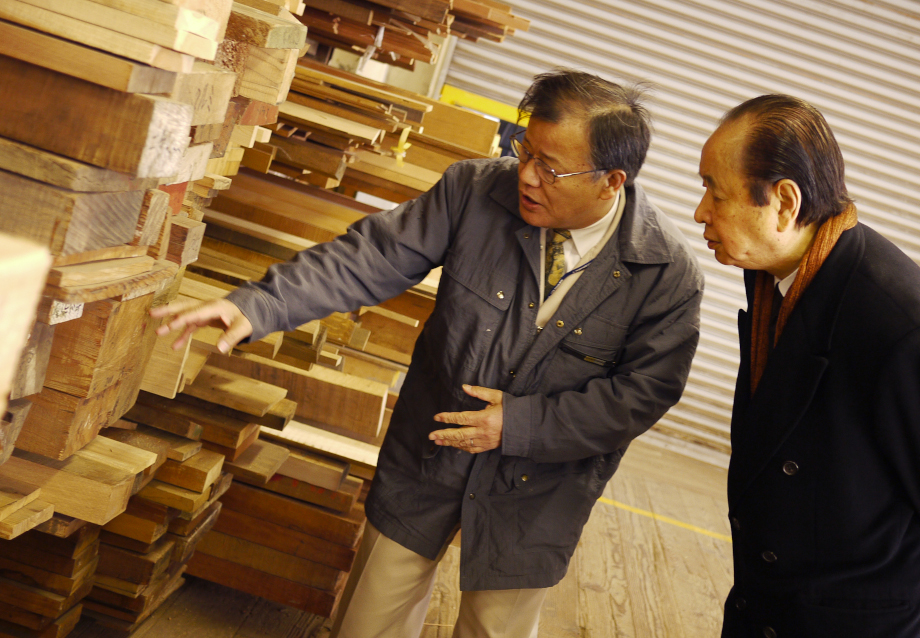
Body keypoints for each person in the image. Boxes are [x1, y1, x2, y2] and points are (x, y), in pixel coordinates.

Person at [153, 68, 703, 637]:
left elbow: (641, 396)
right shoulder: (472, 190)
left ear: (612, 181)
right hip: (429, 453)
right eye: (524, 151)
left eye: (550, 167)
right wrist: (260, 305)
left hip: (538, 489)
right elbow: (368, 258)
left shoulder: (665, 274)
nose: (527, 176)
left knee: (495, 629)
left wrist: (518, 426)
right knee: (369, 621)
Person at [695, 94, 920, 637]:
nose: (701, 212)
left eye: (714, 191)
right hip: (765, 605)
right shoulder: (774, 275)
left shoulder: (896, 323)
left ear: (784, 203)